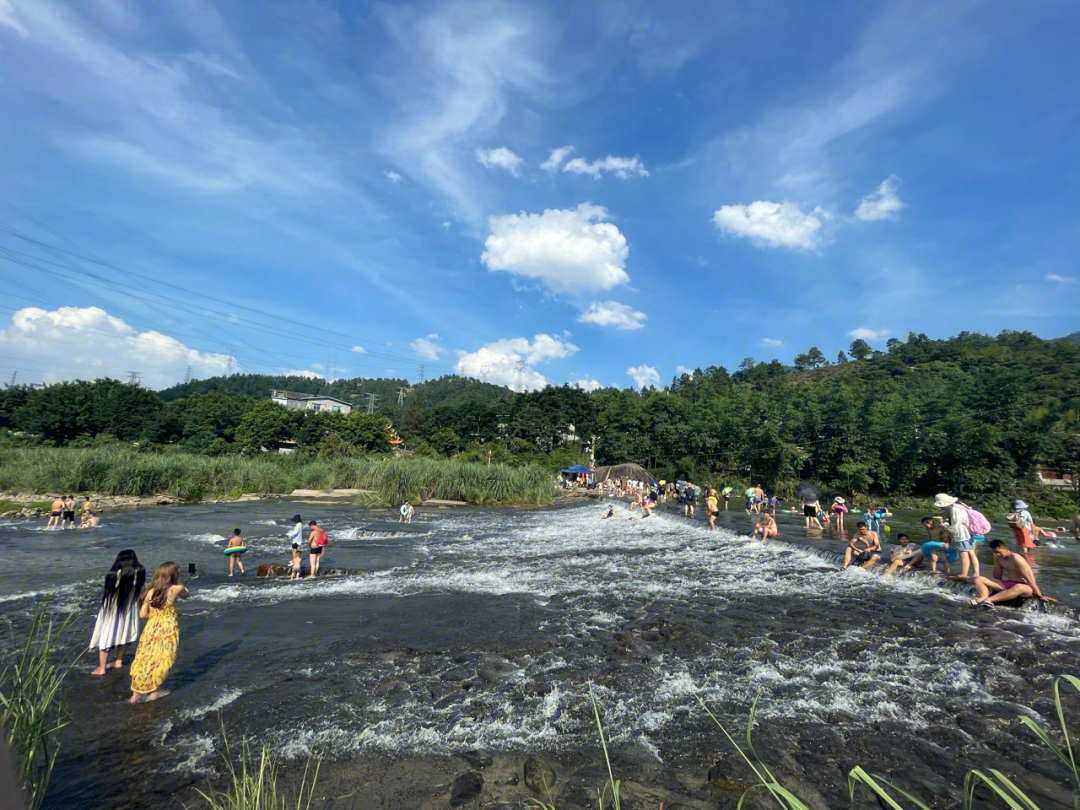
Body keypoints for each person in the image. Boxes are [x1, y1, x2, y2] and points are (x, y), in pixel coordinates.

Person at [129, 561, 188, 703]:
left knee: (145, 658)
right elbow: (186, 594)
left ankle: (136, 694)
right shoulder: (177, 588)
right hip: (167, 628)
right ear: (174, 575)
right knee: (163, 659)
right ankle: (153, 691)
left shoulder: (150, 592)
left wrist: (156, 617)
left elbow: (143, 615)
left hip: (151, 628)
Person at [89, 550, 146, 675]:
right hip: (130, 608)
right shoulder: (140, 572)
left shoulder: (113, 573)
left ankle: (102, 668)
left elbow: (108, 591)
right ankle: (118, 661)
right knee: (124, 633)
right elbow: (141, 590)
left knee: (105, 635)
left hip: (111, 609)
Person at [971, 539, 1045, 607]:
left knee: (1018, 587)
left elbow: (1029, 579)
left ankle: (989, 600)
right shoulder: (997, 557)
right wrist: (993, 587)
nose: (997, 554)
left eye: (998, 552)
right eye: (994, 552)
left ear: (1006, 549)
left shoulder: (1017, 559)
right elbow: (997, 574)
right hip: (1009, 584)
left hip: (1025, 587)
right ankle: (984, 596)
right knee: (978, 579)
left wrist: (1039, 595)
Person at [934, 494, 980, 579]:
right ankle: (976, 573)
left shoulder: (955, 510)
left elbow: (956, 524)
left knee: (963, 553)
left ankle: (964, 574)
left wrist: (947, 532)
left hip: (962, 533)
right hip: (968, 531)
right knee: (971, 552)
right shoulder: (959, 507)